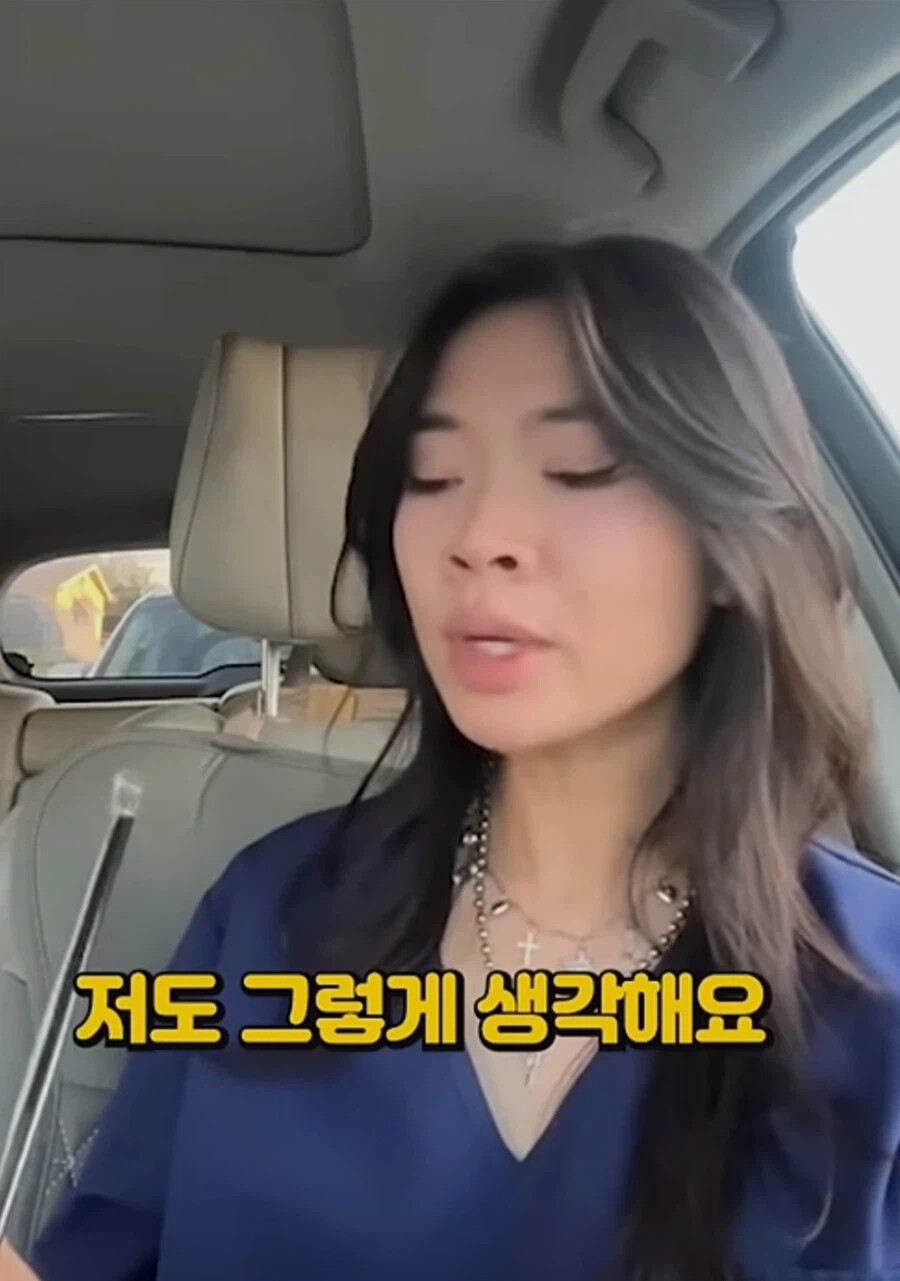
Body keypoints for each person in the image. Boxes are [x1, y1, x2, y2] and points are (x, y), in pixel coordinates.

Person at [4, 235, 899, 1281]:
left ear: (730, 546)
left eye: (578, 469)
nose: (478, 533)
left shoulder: (874, 995)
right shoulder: (269, 916)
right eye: (432, 476)